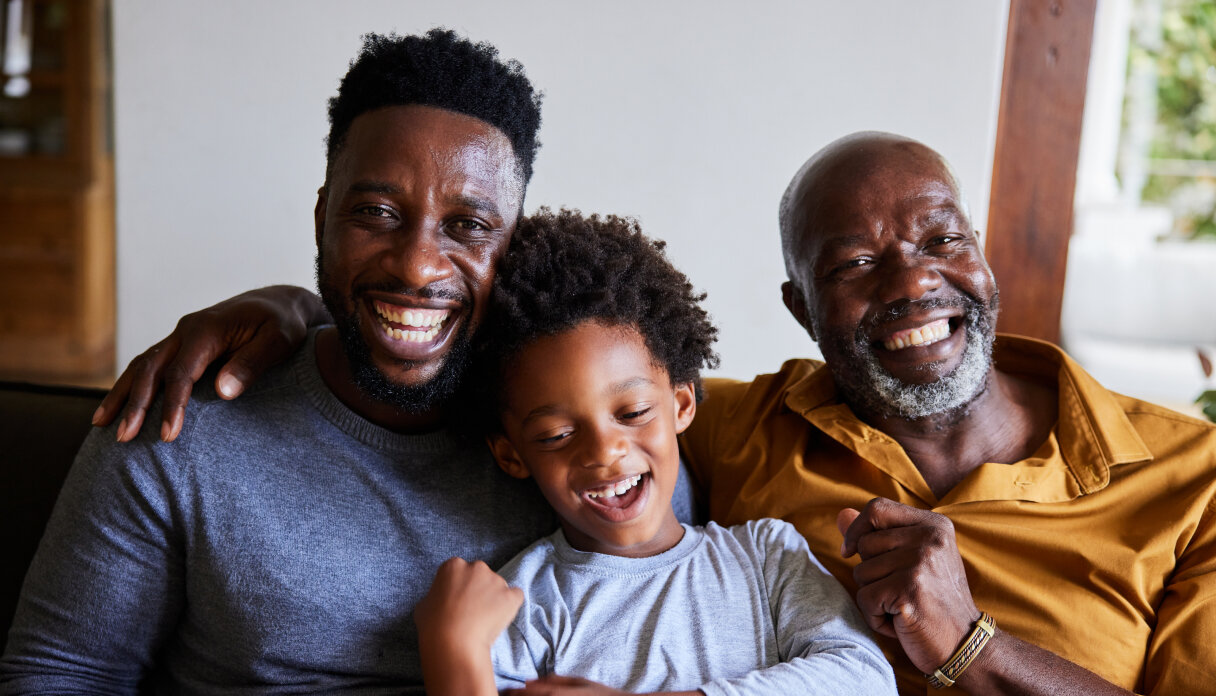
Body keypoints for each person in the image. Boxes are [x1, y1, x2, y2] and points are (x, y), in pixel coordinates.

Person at [88, 131, 1216, 695]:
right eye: (853, 265)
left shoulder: (1190, 475)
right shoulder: (729, 425)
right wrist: (291, 308)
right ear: (801, 309)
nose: (910, 284)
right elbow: (525, 366)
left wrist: (969, 643)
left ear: (979, 247)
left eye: (937, 239)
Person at [0, 29, 686, 693]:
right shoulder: (182, 425)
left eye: (469, 226)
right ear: (323, 215)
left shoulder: (594, 448)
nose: (418, 266)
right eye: (377, 212)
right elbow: (57, 675)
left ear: (514, 244)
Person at [413, 208, 896, 695]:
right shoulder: (522, 604)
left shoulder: (767, 557)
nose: (605, 451)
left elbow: (865, 678)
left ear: (682, 403)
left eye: (633, 412)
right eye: (557, 434)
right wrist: (452, 648)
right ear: (511, 455)